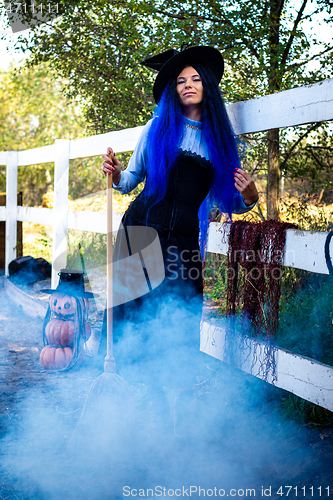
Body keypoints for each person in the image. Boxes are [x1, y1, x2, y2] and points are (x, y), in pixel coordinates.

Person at [100, 46, 258, 431]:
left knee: (180, 319)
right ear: (174, 89)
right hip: (140, 230)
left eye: (195, 79)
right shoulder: (157, 128)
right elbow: (129, 181)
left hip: (184, 241)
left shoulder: (220, 143)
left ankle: (175, 408)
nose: (188, 85)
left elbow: (232, 202)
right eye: (181, 81)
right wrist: (116, 173)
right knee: (137, 316)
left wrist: (251, 195)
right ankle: (148, 405)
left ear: (208, 86)